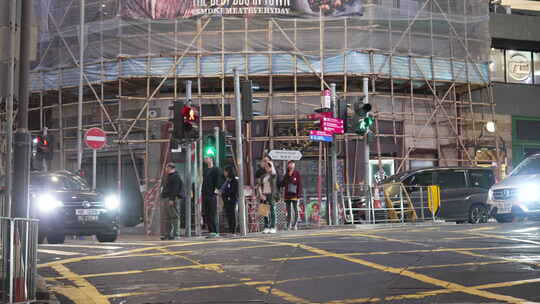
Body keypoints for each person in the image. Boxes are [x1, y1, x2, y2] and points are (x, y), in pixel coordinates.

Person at [160, 163, 183, 240]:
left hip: (171, 199)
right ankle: (168, 235)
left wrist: (172, 199)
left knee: (174, 216)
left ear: (170, 168)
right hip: (167, 198)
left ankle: (176, 234)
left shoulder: (175, 176)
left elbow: (175, 189)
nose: (165, 170)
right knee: (167, 218)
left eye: (166, 168)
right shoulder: (170, 176)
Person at [256, 157, 278, 234]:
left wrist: (271, 164)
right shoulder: (263, 176)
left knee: (272, 211)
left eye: (268, 166)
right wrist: (261, 194)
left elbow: (274, 172)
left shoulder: (273, 175)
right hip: (264, 194)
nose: (267, 168)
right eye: (266, 167)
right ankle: (266, 227)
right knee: (264, 211)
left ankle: (273, 227)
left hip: (271, 195)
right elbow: (259, 186)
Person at [202, 156, 222, 238]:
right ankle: (211, 231)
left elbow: (219, 180)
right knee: (206, 213)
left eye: (207, 158)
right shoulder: (205, 170)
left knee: (212, 213)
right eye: (205, 158)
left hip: (212, 195)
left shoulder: (216, 169)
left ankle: (215, 231)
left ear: (211, 159)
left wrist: (216, 191)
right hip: (205, 194)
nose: (205, 160)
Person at [279, 160, 302, 230]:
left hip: (295, 194)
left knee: (295, 210)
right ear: (288, 165)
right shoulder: (286, 174)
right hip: (287, 195)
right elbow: (282, 184)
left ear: (294, 165)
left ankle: (295, 225)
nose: (291, 165)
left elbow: (299, 184)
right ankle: (288, 225)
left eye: (292, 164)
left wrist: (299, 194)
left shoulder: (297, 173)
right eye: (290, 164)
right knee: (288, 211)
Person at [220, 166, 238, 234]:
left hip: (232, 200)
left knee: (232, 215)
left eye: (225, 171)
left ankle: (233, 231)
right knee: (229, 215)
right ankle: (231, 230)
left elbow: (233, 191)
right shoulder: (227, 180)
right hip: (227, 201)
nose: (224, 173)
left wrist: (225, 193)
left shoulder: (234, 180)